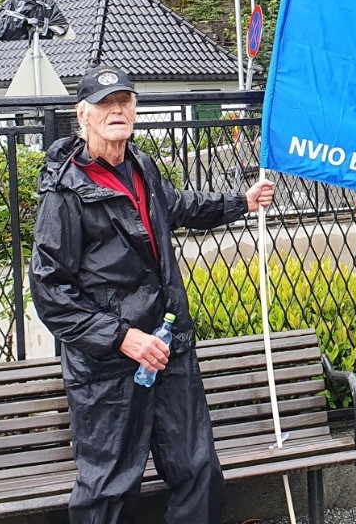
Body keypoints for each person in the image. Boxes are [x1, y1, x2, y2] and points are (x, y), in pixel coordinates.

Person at [29, 64, 275, 524]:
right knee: (108, 487)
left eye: (124, 101)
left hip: (169, 349)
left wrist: (241, 201)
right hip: (109, 366)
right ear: (82, 115)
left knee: (198, 469)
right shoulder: (65, 191)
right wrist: (123, 338)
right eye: (104, 104)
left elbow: (178, 205)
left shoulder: (140, 166)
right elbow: (49, 289)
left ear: (135, 110)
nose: (116, 110)